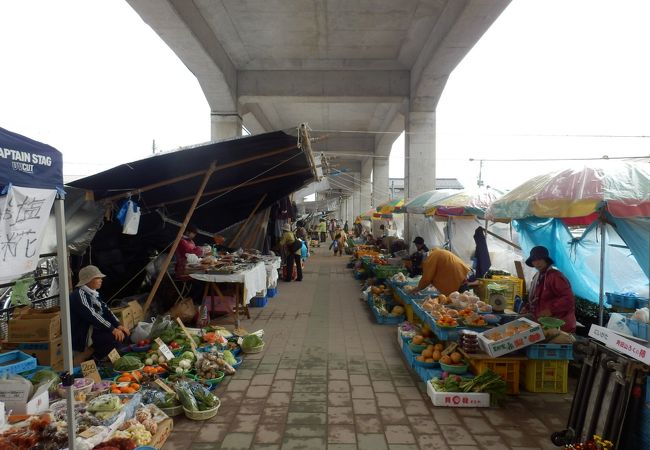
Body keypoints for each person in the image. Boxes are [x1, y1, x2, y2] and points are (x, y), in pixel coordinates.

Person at [70, 265, 130, 360]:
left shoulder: (93, 293)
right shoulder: (78, 295)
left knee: (124, 334)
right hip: (85, 332)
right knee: (112, 339)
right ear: (88, 280)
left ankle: (108, 358)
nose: (101, 280)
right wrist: (112, 329)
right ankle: (95, 358)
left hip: (97, 328)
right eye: (98, 278)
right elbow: (92, 315)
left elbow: (107, 310)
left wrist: (118, 325)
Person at [521, 246, 576, 333]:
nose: (537, 263)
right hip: (543, 323)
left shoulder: (555, 276)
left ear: (546, 260)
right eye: (534, 260)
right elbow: (535, 299)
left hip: (559, 326)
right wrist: (527, 307)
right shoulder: (537, 276)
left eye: (540, 259)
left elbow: (568, 299)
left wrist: (551, 310)